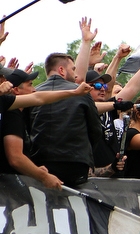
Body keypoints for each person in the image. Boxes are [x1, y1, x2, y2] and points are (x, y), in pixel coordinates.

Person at [0, 69, 92, 189]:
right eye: (30, 84)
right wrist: (44, 176)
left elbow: (39, 98)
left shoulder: (8, 104)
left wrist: (74, 92)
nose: (34, 89)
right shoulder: (12, 115)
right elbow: (15, 158)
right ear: (16, 90)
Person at [29, 53, 102, 186]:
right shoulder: (81, 93)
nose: (75, 75)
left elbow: (26, 130)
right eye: (73, 69)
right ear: (61, 70)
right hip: (75, 165)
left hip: (39, 165)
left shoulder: (33, 94)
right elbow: (96, 129)